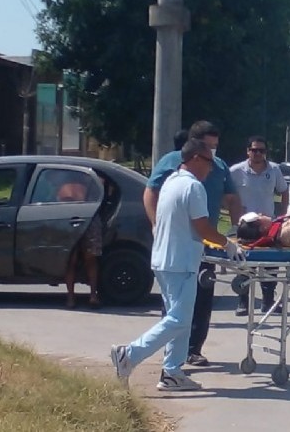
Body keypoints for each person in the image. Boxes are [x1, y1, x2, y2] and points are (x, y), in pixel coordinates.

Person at [110, 139, 245, 391]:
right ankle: (129, 354)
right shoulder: (193, 187)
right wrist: (228, 244)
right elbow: (202, 226)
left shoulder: (171, 181)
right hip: (180, 261)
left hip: (165, 259)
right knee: (180, 319)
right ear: (194, 159)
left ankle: (172, 372)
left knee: (179, 317)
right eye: (209, 162)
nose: (211, 169)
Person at [142, 120, 242, 367]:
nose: (213, 156)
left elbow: (232, 198)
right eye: (209, 149)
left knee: (201, 300)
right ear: (195, 150)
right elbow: (151, 193)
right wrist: (155, 223)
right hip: (184, 244)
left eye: (215, 148)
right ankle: (138, 354)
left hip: (203, 245)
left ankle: (186, 356)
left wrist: (236, 231)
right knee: (177, 313)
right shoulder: (176, 167)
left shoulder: (217, 167)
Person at [230, 135, 289, 315]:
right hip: (244, 226)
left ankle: (268, 302)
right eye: (254, 150)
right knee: (244, 264)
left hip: (267, 226)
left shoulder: (274, 170)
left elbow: (284, 192)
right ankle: (243, 302)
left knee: (270, 264)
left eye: (261, 150)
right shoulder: (235, 171)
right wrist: (235, 217)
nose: (257, 153)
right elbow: (227, 196)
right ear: (248, 151)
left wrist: (282, 216)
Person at [63, 174, 118, 309]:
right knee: (90, 261)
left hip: (70, 220)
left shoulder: (64, 185)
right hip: (91, 219)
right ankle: (92, 295)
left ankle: (71, 298)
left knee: (71, 261)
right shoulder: (94, 181)